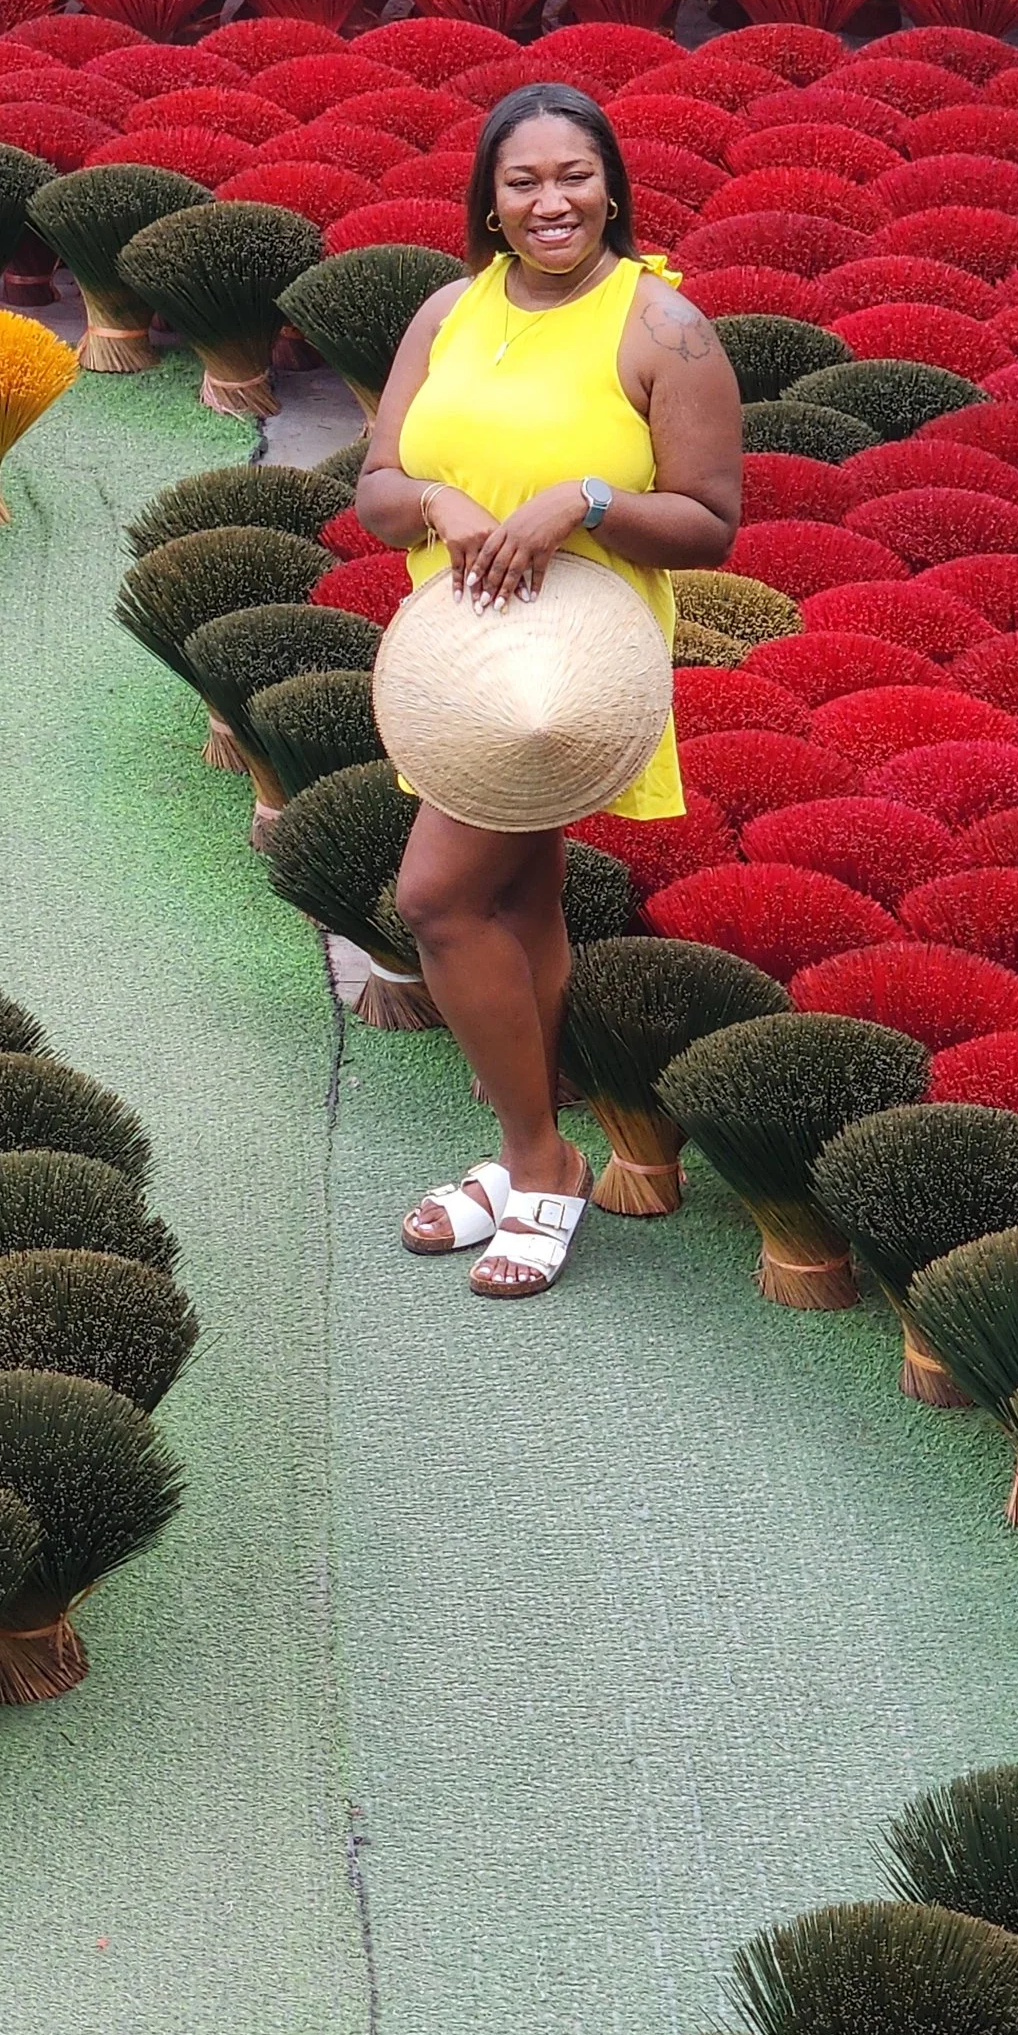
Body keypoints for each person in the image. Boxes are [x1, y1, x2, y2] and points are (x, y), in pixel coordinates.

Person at [354, 81, 743, 1299]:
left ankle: (538, 1162)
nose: (548, 201)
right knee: (517, 903)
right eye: (520, 182)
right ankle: (531, 1147)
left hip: (565, 679)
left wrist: (581, 500)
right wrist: (435, 500)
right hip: (458, 664)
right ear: (489, 203)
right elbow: (375, 484)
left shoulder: (662, 327)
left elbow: (710, 524)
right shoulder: (444, 313)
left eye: (571, 175)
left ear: (611, 189)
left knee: (435, 902)